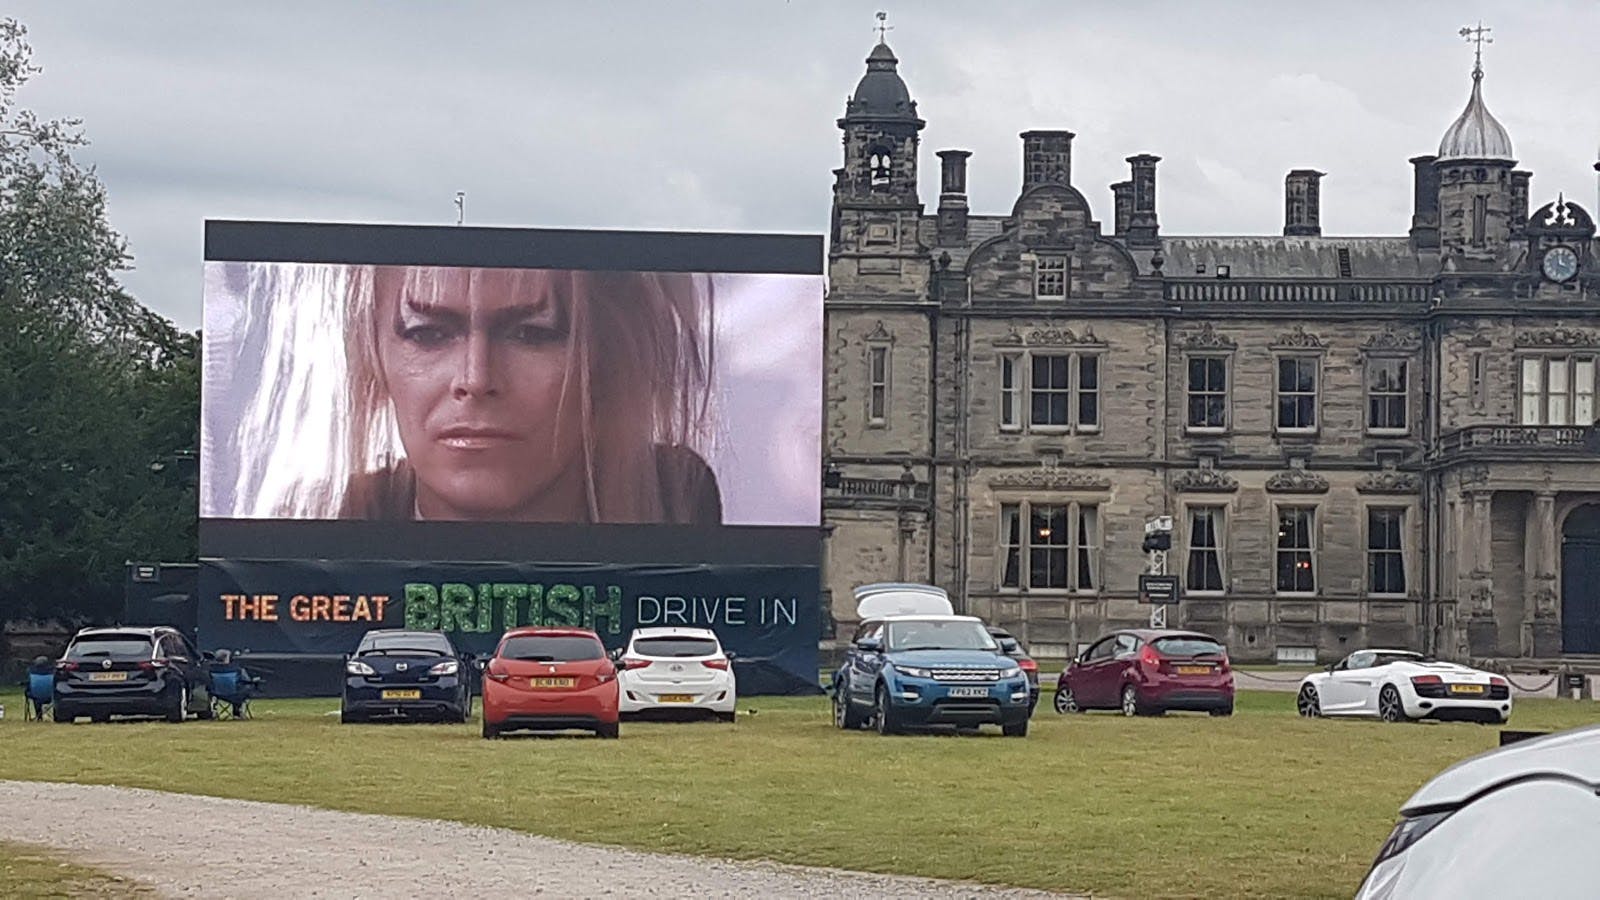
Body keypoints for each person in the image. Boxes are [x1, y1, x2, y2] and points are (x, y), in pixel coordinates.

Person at [224, 263, 724, 524]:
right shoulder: (322, 519)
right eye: (426, 333)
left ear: (607, 355)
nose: (476, 378)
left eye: (531, 333)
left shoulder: (678, 502)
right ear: (373, 352)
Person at [209, 649, 254, 718]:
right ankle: (237, 712)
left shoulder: (210, 669)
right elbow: (246, 679)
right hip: (235, 694)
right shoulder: (237, 669)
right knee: (244, 688)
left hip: (217, 694)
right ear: (227, 658)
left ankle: (214, 709)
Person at [24, 655, 53, 720]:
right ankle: (54, 715)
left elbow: (29, 685)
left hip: (36, 696)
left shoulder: (31, 672)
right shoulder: (52, 672)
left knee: (34, 694)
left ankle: (38, 715)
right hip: (50, 696)